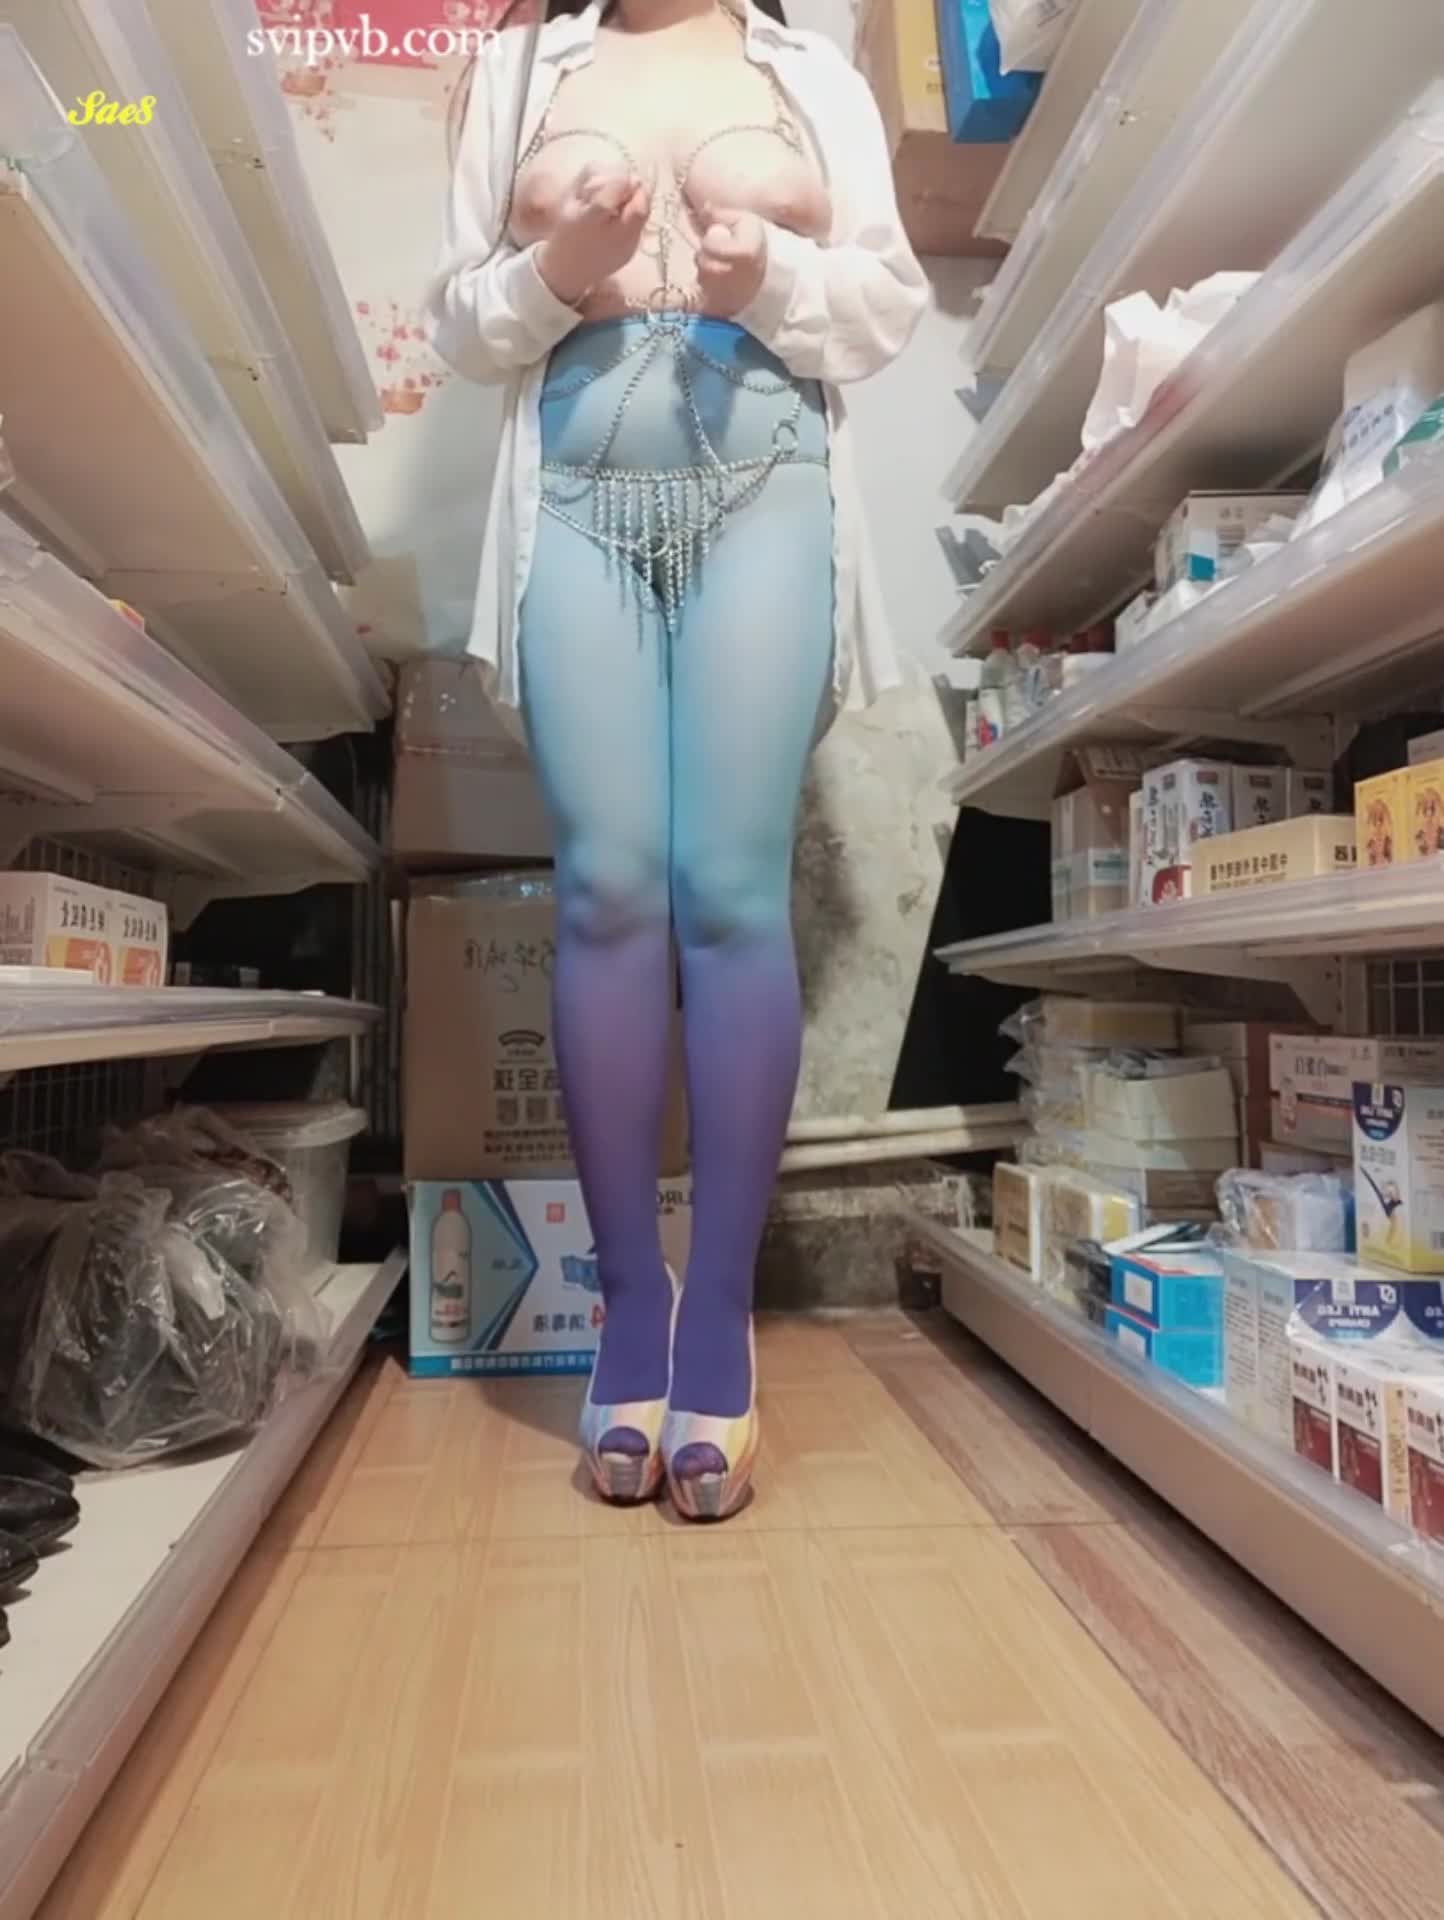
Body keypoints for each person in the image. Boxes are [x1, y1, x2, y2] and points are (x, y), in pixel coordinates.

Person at [427, 0, 926, 1520]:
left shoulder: (814, 76)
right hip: (575, 500)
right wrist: (553, 272)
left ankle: (716, 1321)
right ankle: (628, 1309)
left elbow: (884, 306)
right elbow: (459, 324)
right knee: (608, 887)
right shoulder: (515, 69)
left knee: (726, 886)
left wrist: (771, 275)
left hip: (767, 483)